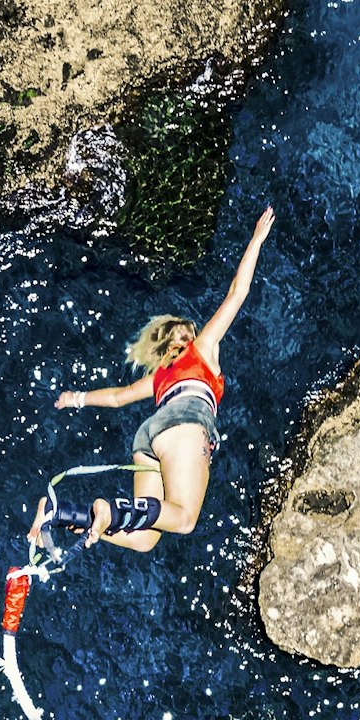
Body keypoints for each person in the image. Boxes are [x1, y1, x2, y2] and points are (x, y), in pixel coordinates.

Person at [49, 206, 275, 552]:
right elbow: (237, 293)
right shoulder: (202, 349)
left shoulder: (159, 377)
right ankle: (109, 510)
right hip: (186, 419)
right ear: (186, 338)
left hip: (149, 435)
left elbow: (117, 397)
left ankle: (63, 515)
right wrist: (256, 239)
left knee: (144, 539)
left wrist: (76, 397)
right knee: (184, 520)